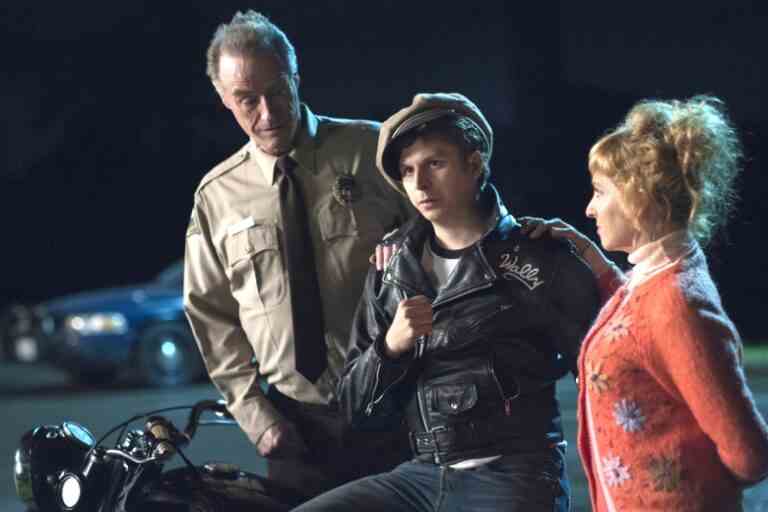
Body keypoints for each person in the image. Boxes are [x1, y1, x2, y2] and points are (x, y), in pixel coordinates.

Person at [293, 92, 600, 512]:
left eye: (435, 164)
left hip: (514, 474)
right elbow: (352, 408)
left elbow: (606, 369)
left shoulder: (538, 257)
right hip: (421, 476)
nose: (419, 184)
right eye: (407, 171)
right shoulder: (392, 267)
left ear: (475, 164)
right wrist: (391, 346)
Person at [183, 10, 412, 502]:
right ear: (224, 101)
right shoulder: (217, 196)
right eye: (247, 99)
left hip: (398, 409)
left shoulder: (373, 151)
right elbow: (211, 314)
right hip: (296, 430)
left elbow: (450, 234)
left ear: (296, 76)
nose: (268, 113)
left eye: (278, 90)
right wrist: (255, 415)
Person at [522, 95, 768, 511]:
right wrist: (590, 257)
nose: (589, 207)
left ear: (640, 196)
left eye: (600, 192)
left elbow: (748, 455)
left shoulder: (677, 303)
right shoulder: (659, 278)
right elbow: (638, 321)